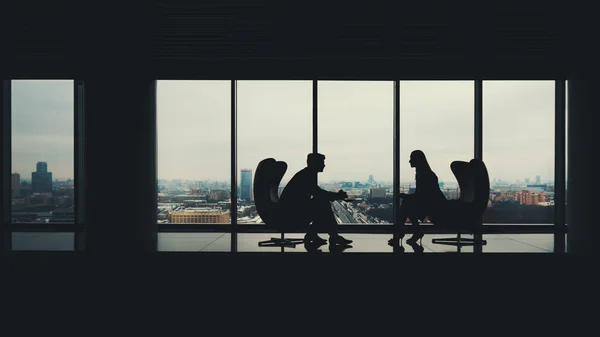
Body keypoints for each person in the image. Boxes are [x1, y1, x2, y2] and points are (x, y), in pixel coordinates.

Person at [279, 153, 353, 245]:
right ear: (315, 163)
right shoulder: (307, 176)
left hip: (291, 210)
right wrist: (337, 195)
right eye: (322, 162)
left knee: (321, 205)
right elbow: (318, 193)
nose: (324, 165)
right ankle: (330, 236)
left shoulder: (306, 174)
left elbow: (317, 192)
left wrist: (336, 195)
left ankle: (316, 235)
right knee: (323, 206)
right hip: (292, 213)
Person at [389, 150, 447, 246]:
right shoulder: (424, 173)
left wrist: (406, 196)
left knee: (406, 204)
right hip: (434, 203)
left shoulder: (424, 175)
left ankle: (401, 233)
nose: (409, 161)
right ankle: (410, 232)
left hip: (434, 205)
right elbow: (421, 195)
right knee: (408, 204)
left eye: (411, 158)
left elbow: (422, 195)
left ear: (417, 160)